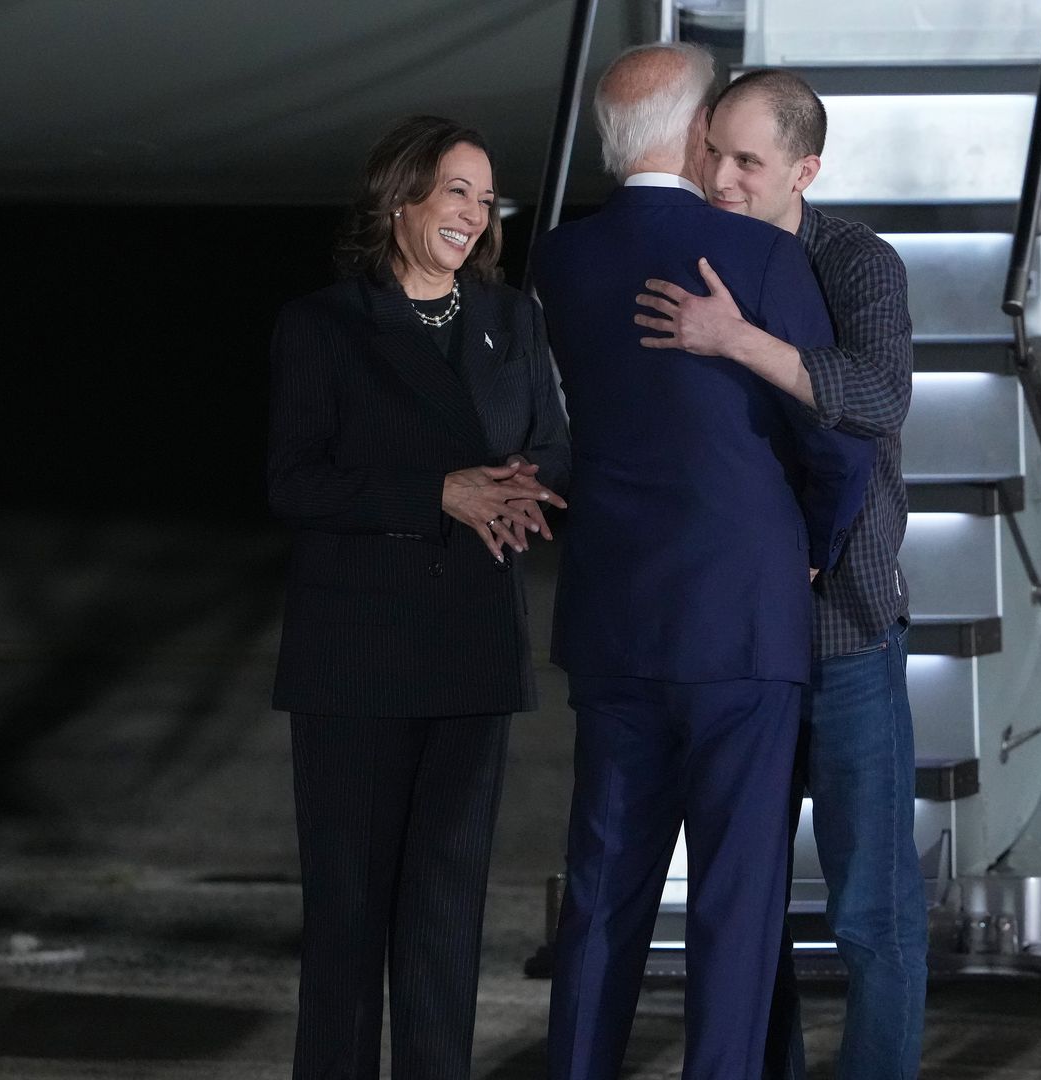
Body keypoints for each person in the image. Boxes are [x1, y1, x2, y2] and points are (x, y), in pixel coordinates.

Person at [533, 43, 873, 1080]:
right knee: (735, 899)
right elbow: (839, 440)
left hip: (614, 620)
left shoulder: (558, 260)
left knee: (602, 890)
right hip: (742, 621)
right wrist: (807, 555)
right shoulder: (761, 259)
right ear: (692, 138)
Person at [265, 114, 570, 1080]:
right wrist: (438, 491)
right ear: (400, 201)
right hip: (355, 656)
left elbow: (555, 442)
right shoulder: (323, 325)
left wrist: (523, 482)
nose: (474, 216)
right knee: (350, 923)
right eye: (455, 193)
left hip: (473, 649)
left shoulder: (512, 319)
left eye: (486, 199)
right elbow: (295, 483)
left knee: (445, 924)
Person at [634, 69, 923, 1080]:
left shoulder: (855, 262)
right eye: (711, 149)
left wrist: (737, 340)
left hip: (845, 633)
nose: (718, 175)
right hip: (737, 638)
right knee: (748, 904)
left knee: (871, 913)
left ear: (805, 169)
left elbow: (878, 396)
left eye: (746, 161)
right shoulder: (692, 252)